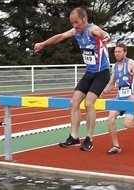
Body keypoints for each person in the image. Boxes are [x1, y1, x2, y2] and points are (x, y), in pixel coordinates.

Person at [34, 7, 111, 151]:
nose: (75, 26)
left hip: (102, 73)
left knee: (89, 103)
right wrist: (43, 44)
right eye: (72, 23)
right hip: (89, 73)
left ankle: (89, 139)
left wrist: (106, 37)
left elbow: (101, 32)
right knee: (74, 102)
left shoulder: (91, 29)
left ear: (84, 20)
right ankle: (74, 137)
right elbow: (60, 36)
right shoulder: (76, 32)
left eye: (77, 22)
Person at [101, 43, 134, 155]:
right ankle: (116, 146)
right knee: (110, 118)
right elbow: (112, 84)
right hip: (119, 98)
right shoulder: (114, 66)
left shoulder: (130, 63)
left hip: (130, 99)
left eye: (119, 52)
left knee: (127, 125)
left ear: (125, 53)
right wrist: (103, 91)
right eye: (115, 52)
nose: (117, 54)